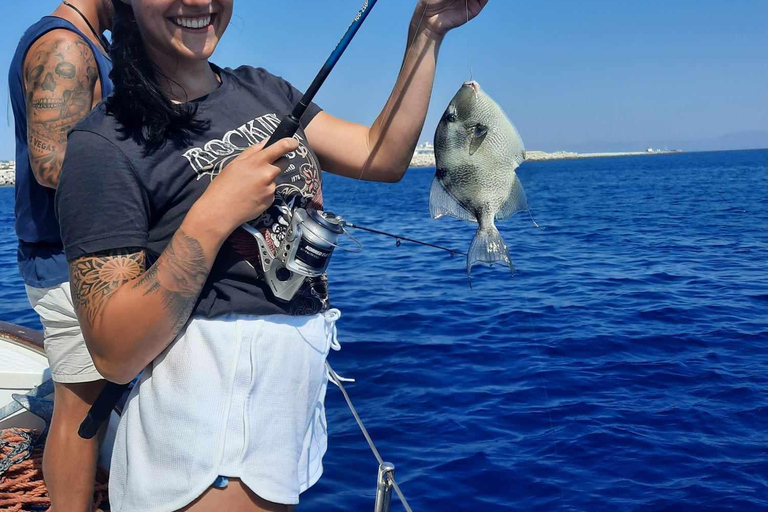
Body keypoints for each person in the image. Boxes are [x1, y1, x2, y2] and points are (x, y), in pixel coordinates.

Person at [55, 0, 489, 510]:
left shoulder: (262, 89)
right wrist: (214, 213)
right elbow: (113, 350)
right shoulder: (105, 142)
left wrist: (426, 32)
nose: (198, 3)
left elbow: (382, 154)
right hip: (204, 448)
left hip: (282, 428)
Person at [8, 1, 114, 510]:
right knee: (81, 409)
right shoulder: (65, 45)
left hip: (88, 260)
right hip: (72, 265)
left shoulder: (90, 44)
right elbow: (53, 168)